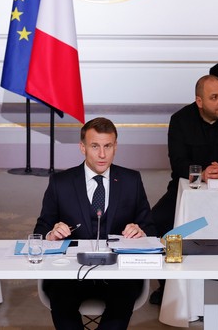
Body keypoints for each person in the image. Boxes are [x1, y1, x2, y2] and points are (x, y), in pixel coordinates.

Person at [35, 117, 154, 330]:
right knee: (61, 299)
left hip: (119, 276)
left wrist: (141, 232)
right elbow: (41, 230)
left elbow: (151, 230)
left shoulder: (132, 180)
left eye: (108, 146)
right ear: (82, 147)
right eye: (95, 146)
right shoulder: (60, 183)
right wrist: (51, 234)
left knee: (122, 301)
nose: (102, 154)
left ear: (115, 147)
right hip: (69, 276)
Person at [151, 75, 218, 234]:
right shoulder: (180, 120)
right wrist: (202, 174)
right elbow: (178, 162)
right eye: (214, 97)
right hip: (186, 189)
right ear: (199, 101)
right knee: (151, 225)